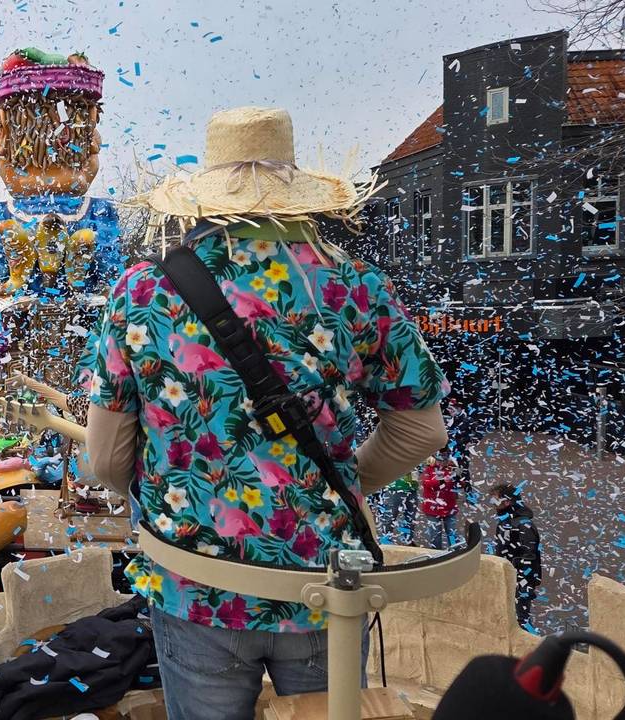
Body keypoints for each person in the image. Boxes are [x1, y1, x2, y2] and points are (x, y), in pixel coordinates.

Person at [81, 108, 449, 718]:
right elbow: (421, 427)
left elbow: (106, 458)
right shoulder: (353, 284)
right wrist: (341, 483)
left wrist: (177, 494)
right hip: (323, 584)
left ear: (205, 197)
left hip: (195, 583)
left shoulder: (142, 292)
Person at [489, 483, 543, 629]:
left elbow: (530, 557)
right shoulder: (505, 520)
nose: (493, 504)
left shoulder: (524, 525)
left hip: (520, 581)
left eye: (496, 500)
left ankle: (532, 647)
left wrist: (513, 569)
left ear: (507, 501)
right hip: (509, 578)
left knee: (522, 620)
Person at [419, 453, 460, 549]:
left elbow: (460, 484)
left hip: (449, 507)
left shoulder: (452, 468)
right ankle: (437, 554)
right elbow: (427, 483)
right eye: (441, 460)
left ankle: (455, 552)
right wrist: (443, 480)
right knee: (435, 535)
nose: (443, 462)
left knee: (452, 533)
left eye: (445, 459)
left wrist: (459, 472)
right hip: (432, 509)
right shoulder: (429, 469)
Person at [380, 471, 419, 546]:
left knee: (410, 518)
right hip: (394, 489)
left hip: (412, 490)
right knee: (390, 517)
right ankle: (386, 542)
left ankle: (408, 541)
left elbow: (419, 469)